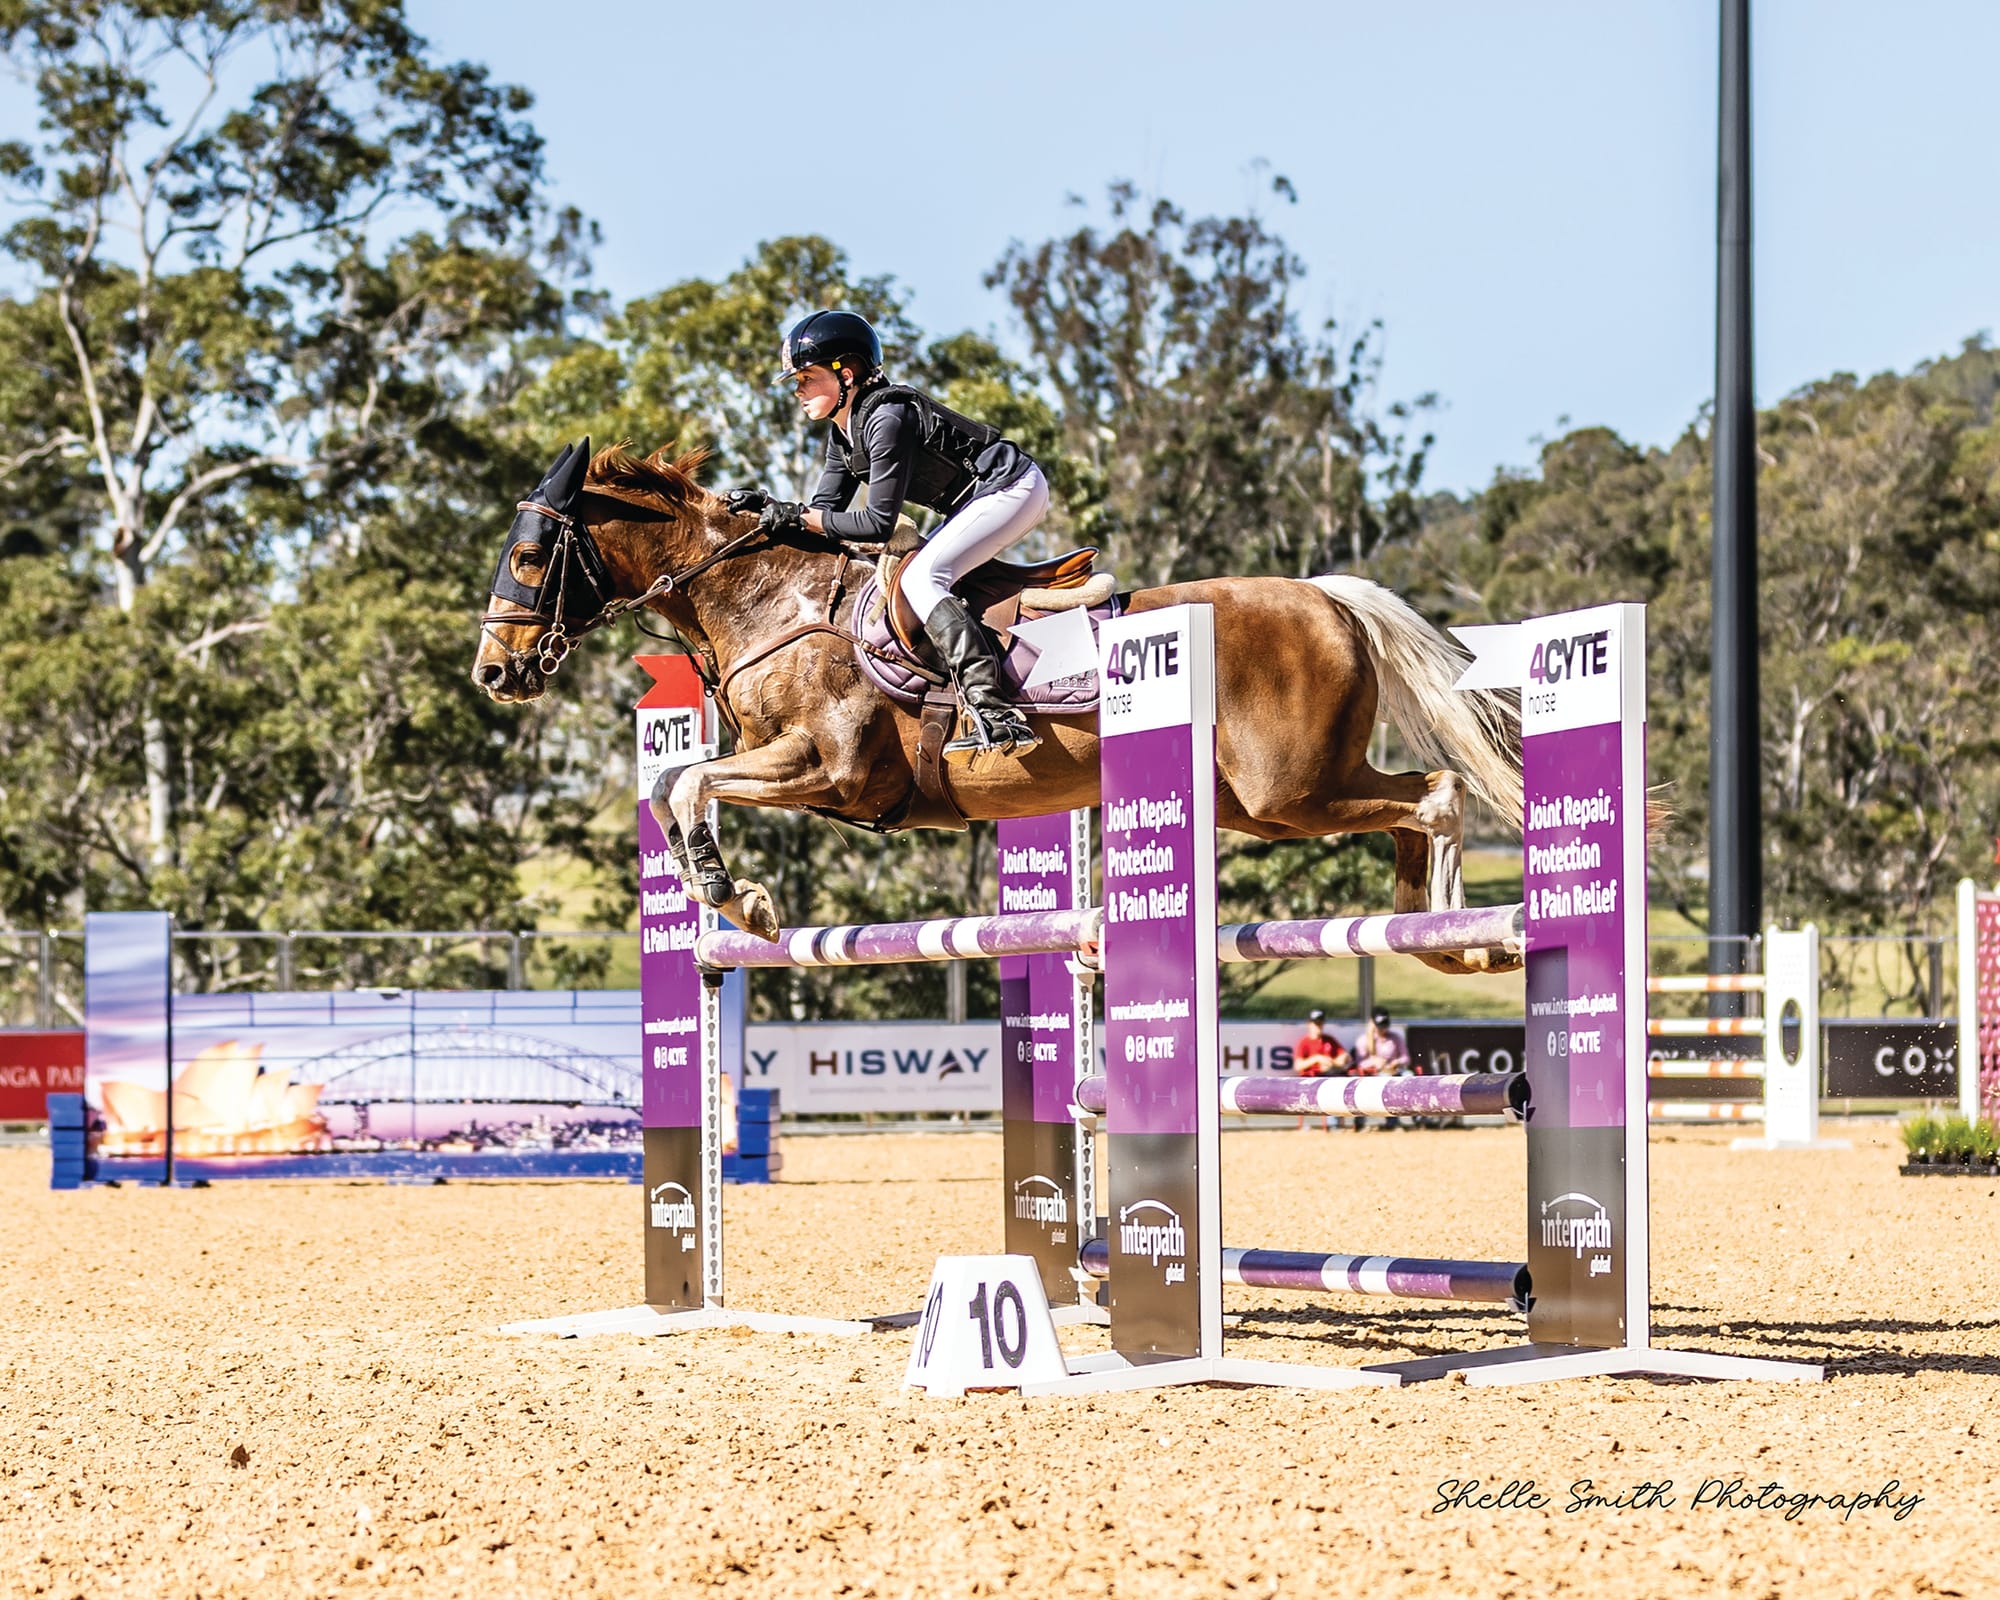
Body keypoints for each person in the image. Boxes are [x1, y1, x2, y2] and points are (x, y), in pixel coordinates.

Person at [734, 309, 1050, 765]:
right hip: (971, 502)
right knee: (918, 575)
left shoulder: (887, 417)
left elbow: (877, 524)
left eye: (806, 377)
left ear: (846, 374)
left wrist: (800, 517)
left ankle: (994, 711)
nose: (798, 389)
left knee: (923, 578)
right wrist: (768, 512)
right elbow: (824, 515)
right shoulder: (844, 433)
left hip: (1011, 487)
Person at [1351, 1008, 1411, 1130]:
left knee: (1409, 1076)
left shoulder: (1395, 1038)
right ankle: (1392, 1121)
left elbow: (1406, 1058)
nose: (1383, 1029)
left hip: (1395, 1071)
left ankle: (1419, 1118)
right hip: (1374, 1074)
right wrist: (1374, 1062)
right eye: (1380, 1027)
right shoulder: (1364, 1040)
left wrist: (1397, 1062)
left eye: (1385, 1026)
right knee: (1386, 1079)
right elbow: (1359, 1063)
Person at [1292, 1009, 1350, 1132]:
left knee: (1344, 1079)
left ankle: (1350, 1122)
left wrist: (1332, 1062)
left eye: (1320, 1023)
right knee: (1333, 1085)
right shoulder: (1304, 1043)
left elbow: (1345, 1056)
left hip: (1333, 1073)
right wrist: (1317, 1059)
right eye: (1315, 1023)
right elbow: (1298, 1066)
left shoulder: (1329, 1040)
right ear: (1309, 1024)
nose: (1318, 1026)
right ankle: (1333, 1124)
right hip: (1315, 1078)